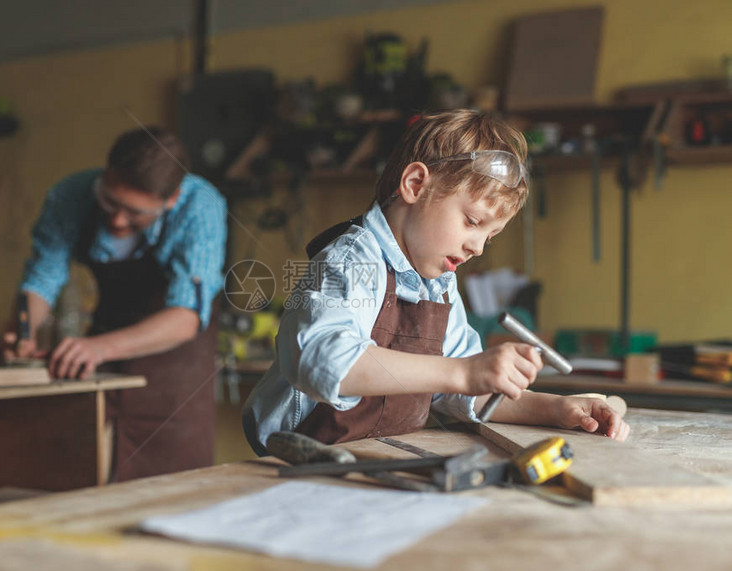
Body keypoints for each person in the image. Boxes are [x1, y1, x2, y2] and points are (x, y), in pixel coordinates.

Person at [242, 110, 629, 455]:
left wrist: (557, 409)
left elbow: (467, 395)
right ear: (414, 184)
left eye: (489, 237)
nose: (477, 247)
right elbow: (323, 362)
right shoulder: (351, 261)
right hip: (294, 466)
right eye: (472, 222)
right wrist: (463, 371)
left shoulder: (439, 283)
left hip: (373, 462)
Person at [5, 126, 227, 480]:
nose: (117, 220)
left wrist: (97, 349)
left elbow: (185, 317)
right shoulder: (71, 194)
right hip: (107, 340)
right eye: (110, 201)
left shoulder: (200, 206)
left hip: (175, 361)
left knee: (171, 479)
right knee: (81, 465)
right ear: (106, 174)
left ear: (170, 200)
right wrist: (24, 329)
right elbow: (42, 279)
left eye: (135, 213)